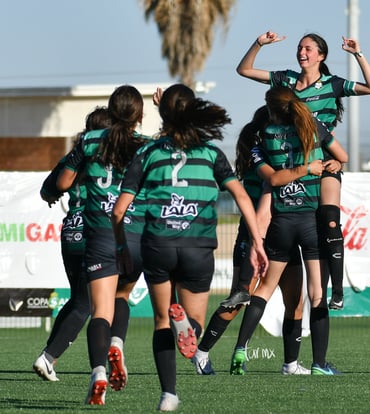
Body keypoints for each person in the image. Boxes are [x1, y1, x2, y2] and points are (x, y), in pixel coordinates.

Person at [111, 84, 268, 411]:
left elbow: (119, 210)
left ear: (164, 115)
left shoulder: (148, 153)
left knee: (161, 322)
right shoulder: (210, 152)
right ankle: (190, 328)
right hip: (197, 246)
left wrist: (122, 246)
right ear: (194, 111)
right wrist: (256, 242)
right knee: (192, 325)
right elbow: (241, 196)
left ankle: (168, 394)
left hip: (158, 246)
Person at [236, 30, 370, 309]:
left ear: (321, 56)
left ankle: (335, 291)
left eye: (308, 49)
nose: (302, 52)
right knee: (261, 217)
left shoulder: (332, 84)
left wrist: (357, 54)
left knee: (328, 220)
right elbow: (244, 70)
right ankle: (242, 287)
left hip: (321, 164)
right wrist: (258, 44)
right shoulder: (286, 79)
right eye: (300, 48)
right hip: (286, 166)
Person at [230, 86, 342, 376]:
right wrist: (329, 164)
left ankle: (241, 348)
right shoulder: (312, 127)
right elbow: (340, 156)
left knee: (264, 290)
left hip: (281, 223)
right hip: (310, 221)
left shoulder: (266, 136)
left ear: (272, 109)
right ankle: (318, 364)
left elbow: (275, 179)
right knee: (316, 293)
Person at [192, 105, 310, 376]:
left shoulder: (255, 151)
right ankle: (205, 351)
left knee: (272, 298)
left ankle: (206, 352)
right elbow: (274, 183)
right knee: (245, 297)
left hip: (271, 232)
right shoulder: (264, 156)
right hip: (263, 232)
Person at [56, 85, 150, 405]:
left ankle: (98, 373)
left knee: (99, 310)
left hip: (100, 235)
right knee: (122, 295)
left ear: (111, 111)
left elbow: (63, 182)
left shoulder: (89, 141)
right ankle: (118, 345)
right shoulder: (147, 146)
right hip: (135, 237)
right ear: (139, 115)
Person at [33, 106, 111, 382]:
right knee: (86, 305)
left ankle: (48, 355)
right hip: (97, 233)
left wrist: (54, 193)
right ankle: (48, 357)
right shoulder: (116, 155)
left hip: (71, 234)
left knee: (77, 300)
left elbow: (47, 190)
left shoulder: (76, 154)